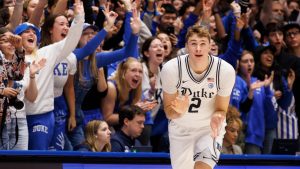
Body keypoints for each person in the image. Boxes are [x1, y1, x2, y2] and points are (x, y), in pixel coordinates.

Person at [161, 25, 236, 169]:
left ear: (210, 46)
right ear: (186, 47)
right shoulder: (171, 69)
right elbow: (168, 111)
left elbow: (221, 109)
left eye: (203, 44)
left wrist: (218, 116)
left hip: (209, 129)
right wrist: (177, 111)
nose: (198, 48)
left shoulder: (225, 71)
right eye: (193, 43)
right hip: (181, 129)